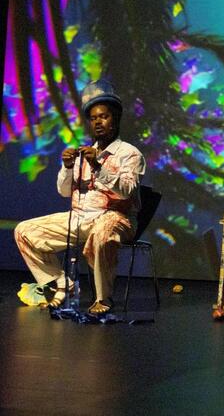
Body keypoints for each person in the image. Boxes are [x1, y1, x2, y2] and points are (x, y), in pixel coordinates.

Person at [14, 80, 146, 315]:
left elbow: (127, 190)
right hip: (80, 218)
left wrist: (97, 165)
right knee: (24, 231)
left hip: (117, 218)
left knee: (102, 231)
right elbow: (64, 192)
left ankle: (103, 299)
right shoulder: (82, 153)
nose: (98, 122)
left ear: (115, 119)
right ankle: (65, 286)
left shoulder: (129, 153)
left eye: (104, 117)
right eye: (93, 118)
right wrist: (66, 167)